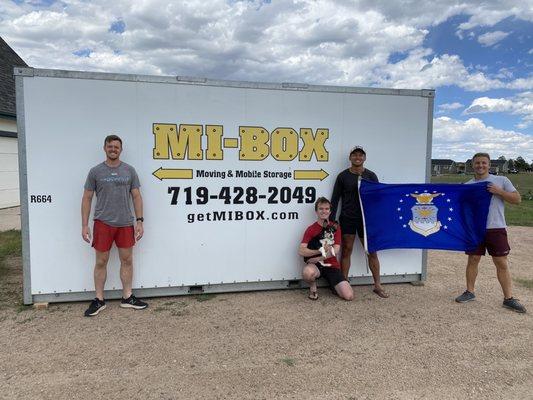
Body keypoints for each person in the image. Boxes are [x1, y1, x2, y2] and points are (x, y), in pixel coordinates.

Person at [81, 135, 148, 317]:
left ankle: (127, 297)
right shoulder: (95, 172)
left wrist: (139, 221)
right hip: (103, 223)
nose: (113, 149)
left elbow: (136, 196)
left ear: (121, 149)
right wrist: (84, 225)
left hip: (125, 223)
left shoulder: (129, 171)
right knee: (101, 261)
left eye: (116, 147)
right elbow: (87, 198)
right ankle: (99, 300)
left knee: (127, 260)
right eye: (110, 146)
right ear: (104, 148)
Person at [455, 152, 526, 313]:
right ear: (472, 165)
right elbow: (462, 207)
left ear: (489, 165)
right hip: (475, 229)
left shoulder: (501, 181)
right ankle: (470, 291)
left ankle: (508, 298)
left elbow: (517, 199)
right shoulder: (468, 185)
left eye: (483, 163)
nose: (480, 165)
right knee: (473, 259)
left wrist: (498, 191)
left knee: (501, 262)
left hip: (496, 227)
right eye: (477, 163)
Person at [330, 146, 388, 298]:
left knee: (371, 251)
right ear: (350, 158)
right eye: (354, 155)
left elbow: (378, 198)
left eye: (360, 155)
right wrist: (332, 220)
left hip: (366, 219)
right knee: (347, 250)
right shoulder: (342, 176)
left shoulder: (371, 175)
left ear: (364, 158)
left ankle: (377, 285)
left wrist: (377, 218)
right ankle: (344, 282)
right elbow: (335, 198)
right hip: (348, 218)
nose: (357, 157)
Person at [299, 197, 354, 301]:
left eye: (326, 209)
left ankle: (333, 285)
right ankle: (313, 286)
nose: (324, 211)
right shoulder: (311, 229)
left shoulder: (335, 228)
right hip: (315, 266)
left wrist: (318, 258)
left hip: (331, 266)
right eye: (321, 209)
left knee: (349, 296)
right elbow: (301, 251)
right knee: (307, 273)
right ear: (316, 211)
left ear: (330, 211)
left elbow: (336, 250)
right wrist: (319, 251)